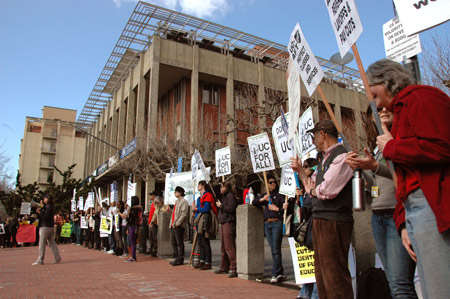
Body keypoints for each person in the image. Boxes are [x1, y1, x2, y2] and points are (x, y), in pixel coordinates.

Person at [366, 59, 450, 299]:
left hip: (432, 204)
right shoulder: (402, 109)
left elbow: (441, 147)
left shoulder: (422, 98)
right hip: (414, 208)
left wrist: (392, 146)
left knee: (440, 287)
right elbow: (405, 176)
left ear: (385, 81)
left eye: (371, 87)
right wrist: (403, 221)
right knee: (431, 284)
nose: (371, 98)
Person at [345, 106, 417, 298]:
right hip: (378, 216)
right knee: (394, 282)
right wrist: (360, 168)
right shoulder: (377, 146)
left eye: (387, 107)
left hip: (397, 215)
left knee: (400, 283)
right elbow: (375, 182)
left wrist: (376, 166)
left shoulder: (401, 140)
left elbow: (404, 174)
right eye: (376, 109)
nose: (382, 110)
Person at [291, 119, 354, 298]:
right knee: (322, 274)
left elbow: (326, 190)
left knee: (334, 275)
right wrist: (301, 174)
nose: (313, 141)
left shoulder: (342, 157)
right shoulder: (324, 160)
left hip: (333, 220)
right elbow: (314, 187)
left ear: (323, 134)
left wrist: (312, 189)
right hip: (321, 219)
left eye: (314, 136)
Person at [252, 175, 289, 284]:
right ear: (267, 184)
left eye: (274, 182)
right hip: (267, 224)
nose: (273, 184)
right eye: (271, 182)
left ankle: (275, 272)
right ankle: (280, 271)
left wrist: (278, 209)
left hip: (276, 222)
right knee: (273, 249)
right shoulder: (266, 195)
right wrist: (263, 199)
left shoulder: (281, 195)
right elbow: (254, 202)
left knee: (275, 249)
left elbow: (286, 210)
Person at [296, 158, 319, 299]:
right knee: (308, 263)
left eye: (306, 166)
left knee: (316, 262)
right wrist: (299, 200)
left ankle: (314, 294)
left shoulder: (315, 183)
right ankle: (305, 293)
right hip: (308, 227)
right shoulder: (306, 186)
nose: (304, 169)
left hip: (314, 226)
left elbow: (311, 206)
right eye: (302, 166)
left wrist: (305, 199)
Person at [192, 180, 218, 270]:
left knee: (205, 242)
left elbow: (206, 208)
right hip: (199, 221)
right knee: (201, 242)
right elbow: (199, 209)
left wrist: (196, 208)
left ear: (202, 186)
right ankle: (202, 260)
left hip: (205, 221)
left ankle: (208, 262)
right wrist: (195, 209)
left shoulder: (208, 196)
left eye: (199, 185)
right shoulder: (199, 198)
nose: (198, 187)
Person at [215, 182, 238, 278]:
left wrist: (221, 206)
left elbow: (231, 208)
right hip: (224, 222)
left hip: (229, 222)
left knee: (229, 246)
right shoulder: (225, 196)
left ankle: (234, 267)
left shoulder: (230, 196)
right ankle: (224, 266)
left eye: (221, 186)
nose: (220, 188)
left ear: (226, 187)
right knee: (223, 247)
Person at [32, 195, 61, 265]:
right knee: (52, 243)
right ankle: (57, 258)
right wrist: (41, 208)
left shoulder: (48, 207)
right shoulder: (49, 206)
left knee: (41, 243)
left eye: (45, 198)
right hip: (49, 226)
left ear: (47, 199)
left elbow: (45, 217)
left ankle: (40, 260)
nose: (44, 199)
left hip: (45, 226)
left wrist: (40, 212)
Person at [169, 186, 189, 266]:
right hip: (173, 224)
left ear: (180, 192)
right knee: (173, 242)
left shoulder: (184, 201)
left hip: (179, 225)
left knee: (179, 242)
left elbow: (184, 214)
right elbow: (174, 214)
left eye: (176, 192)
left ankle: (180, 258)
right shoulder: (177, 201)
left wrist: (178, 223)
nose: (175, 193)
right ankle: (176, 257)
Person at [126, 196, 142, 262]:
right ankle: (132, 255)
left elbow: (131, 219)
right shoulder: (136, 209)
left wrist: (128, 213)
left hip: (133, 226)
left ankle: (133, 256)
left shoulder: (135, 210)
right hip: (132, 226)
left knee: (132, 241)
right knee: (132, 241)